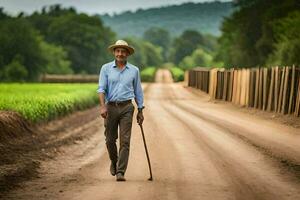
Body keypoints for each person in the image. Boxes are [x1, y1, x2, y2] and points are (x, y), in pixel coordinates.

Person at [97, 40, 144, 182]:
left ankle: (120, 171)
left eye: (123, 51)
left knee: (125, 141)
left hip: (127, 107)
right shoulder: (105, 68)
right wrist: (103, 106)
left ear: (127, 54)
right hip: (110, 107)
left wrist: (140, 110)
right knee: (110, 140)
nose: (120, 53)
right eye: (118, 51)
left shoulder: (134, 70)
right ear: (114, 52)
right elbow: (101, 89)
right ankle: (114, 161)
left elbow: (138, 91)